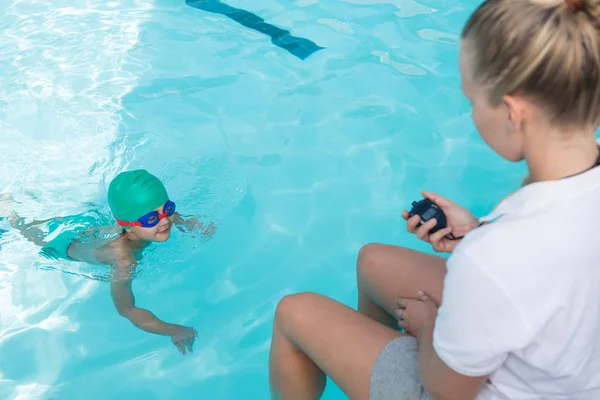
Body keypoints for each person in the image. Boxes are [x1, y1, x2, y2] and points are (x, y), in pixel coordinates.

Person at [268, 0, 600, 398]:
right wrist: (475, 233)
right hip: (565, 364)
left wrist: (429, 326)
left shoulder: (494, 259)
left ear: (513, 112)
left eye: (472, 100)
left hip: (473, 388)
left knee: (294, 313)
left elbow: (448, 391)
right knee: (373, 260)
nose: (473, 114)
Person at [1, 169, 215, 355]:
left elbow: (163, 215)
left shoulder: (153, 218)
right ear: (128, 224)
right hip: (62, 245)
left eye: (167, 209)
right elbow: (127, 309)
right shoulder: (124, 261)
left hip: (90, 227)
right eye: (152, 218)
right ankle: (9, 213)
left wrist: (191, 224)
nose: (165, 220)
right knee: (25, 228)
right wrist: (173, 330)